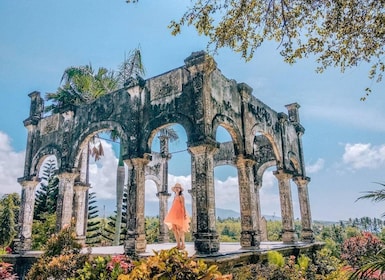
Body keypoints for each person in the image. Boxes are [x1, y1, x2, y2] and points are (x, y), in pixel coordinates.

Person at [164, 183, 190, 250]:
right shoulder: (175, 196)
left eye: (178, 188)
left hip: (180, 214)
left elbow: (183, 206)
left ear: (180, 189)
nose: (177, 189)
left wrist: (184, 214)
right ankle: (178, 244)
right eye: (176, 188)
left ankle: (183, 244)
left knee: (180, 230)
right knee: (174, 229)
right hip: (174, 214)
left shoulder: (181, 196)